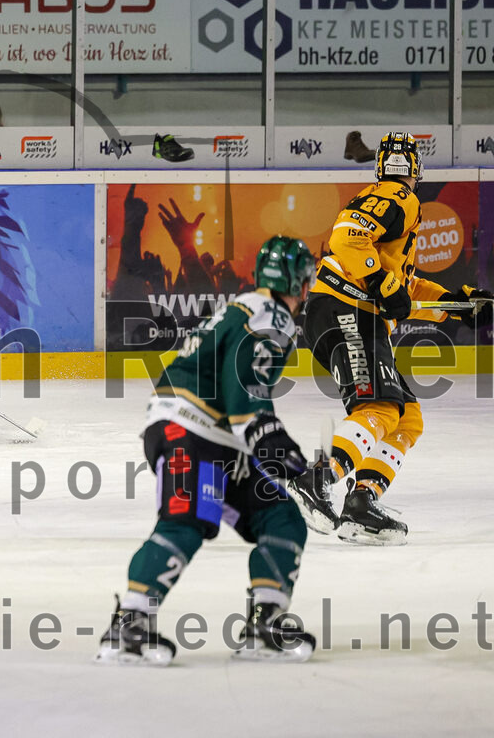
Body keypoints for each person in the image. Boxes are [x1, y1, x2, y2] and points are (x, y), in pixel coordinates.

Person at [97, 236, 318, 665]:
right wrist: (287, 457)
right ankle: (130, 626)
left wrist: (278, 454)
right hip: (191, 430)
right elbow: (246, 400)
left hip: (207, 433)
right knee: (187, 519)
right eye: (306, 280)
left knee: (281, 517)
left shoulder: (249, 306)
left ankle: (265, 622)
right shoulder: (270, 315)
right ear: (298, 282)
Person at [287, 132, 493, 545]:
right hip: (348, 311)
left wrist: (457, 303)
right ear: (416, 170)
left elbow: (406, 289)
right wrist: (382, 283)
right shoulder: (400, 197)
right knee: (379, 406)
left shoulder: (397, 213)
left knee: (407, 416)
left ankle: (361, 504)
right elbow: (348, 238)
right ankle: (314, 480)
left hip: (351, 314)